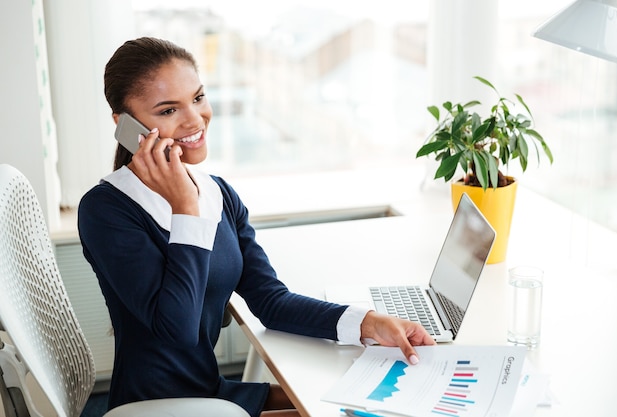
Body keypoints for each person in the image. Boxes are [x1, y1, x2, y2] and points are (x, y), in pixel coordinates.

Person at [78, 37, 435, 417]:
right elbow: (178, 330)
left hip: (210, 392)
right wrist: (185, 208)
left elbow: (271, 301)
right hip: (160, 406)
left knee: (354, 404)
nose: (195, 120)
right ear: (125, 125)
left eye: (198, 98)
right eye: (168, 110)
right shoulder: (106, 210)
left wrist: (367, 322)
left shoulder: (218, 194)